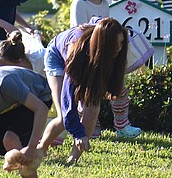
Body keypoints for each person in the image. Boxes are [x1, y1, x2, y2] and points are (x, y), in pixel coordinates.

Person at [37, 18, 129, 164]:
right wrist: (78, 133)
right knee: (63, 116)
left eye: (121, 43)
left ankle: (73, 158)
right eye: (115, 44)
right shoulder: (77, 50)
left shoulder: (111, 51)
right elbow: (68, 100)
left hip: (91, 56)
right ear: (104, 43)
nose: (118, 48)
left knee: (92, 110)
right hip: (57, 56)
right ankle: (42, 146)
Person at [69, 0, 140, 138]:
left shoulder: (105, 3)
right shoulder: (80, 3)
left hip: (102, 55)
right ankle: (92, 127)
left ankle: (122, 125)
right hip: (84, 56)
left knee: (118, 87)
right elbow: (79, 31)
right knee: (87, 94)